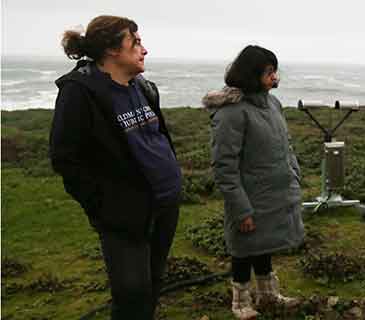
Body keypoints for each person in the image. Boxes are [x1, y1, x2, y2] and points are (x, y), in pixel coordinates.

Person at [49, 15, 182, 319]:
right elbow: (65, 158)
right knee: (131, 293)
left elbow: (156, 136)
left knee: (152, 283)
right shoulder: (80, 92)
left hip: (165, 205)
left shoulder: (143, 86)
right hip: (124, 215)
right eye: (135, 42)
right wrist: (103, 207)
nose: (144, 50)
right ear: (111, 50)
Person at [203, 45, 304, 319]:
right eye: (268, 71)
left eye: (274, 70)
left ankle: (269, 295)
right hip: (250, 195)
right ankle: (240, 302)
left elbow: (287, 145)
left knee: (265, 243)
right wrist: (241, 208)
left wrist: (293, 174)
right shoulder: (231, 112)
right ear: (252, 74)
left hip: (276, 192)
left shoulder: (273, 103)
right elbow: (225, 166)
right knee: (244, 247)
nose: (275, 76)